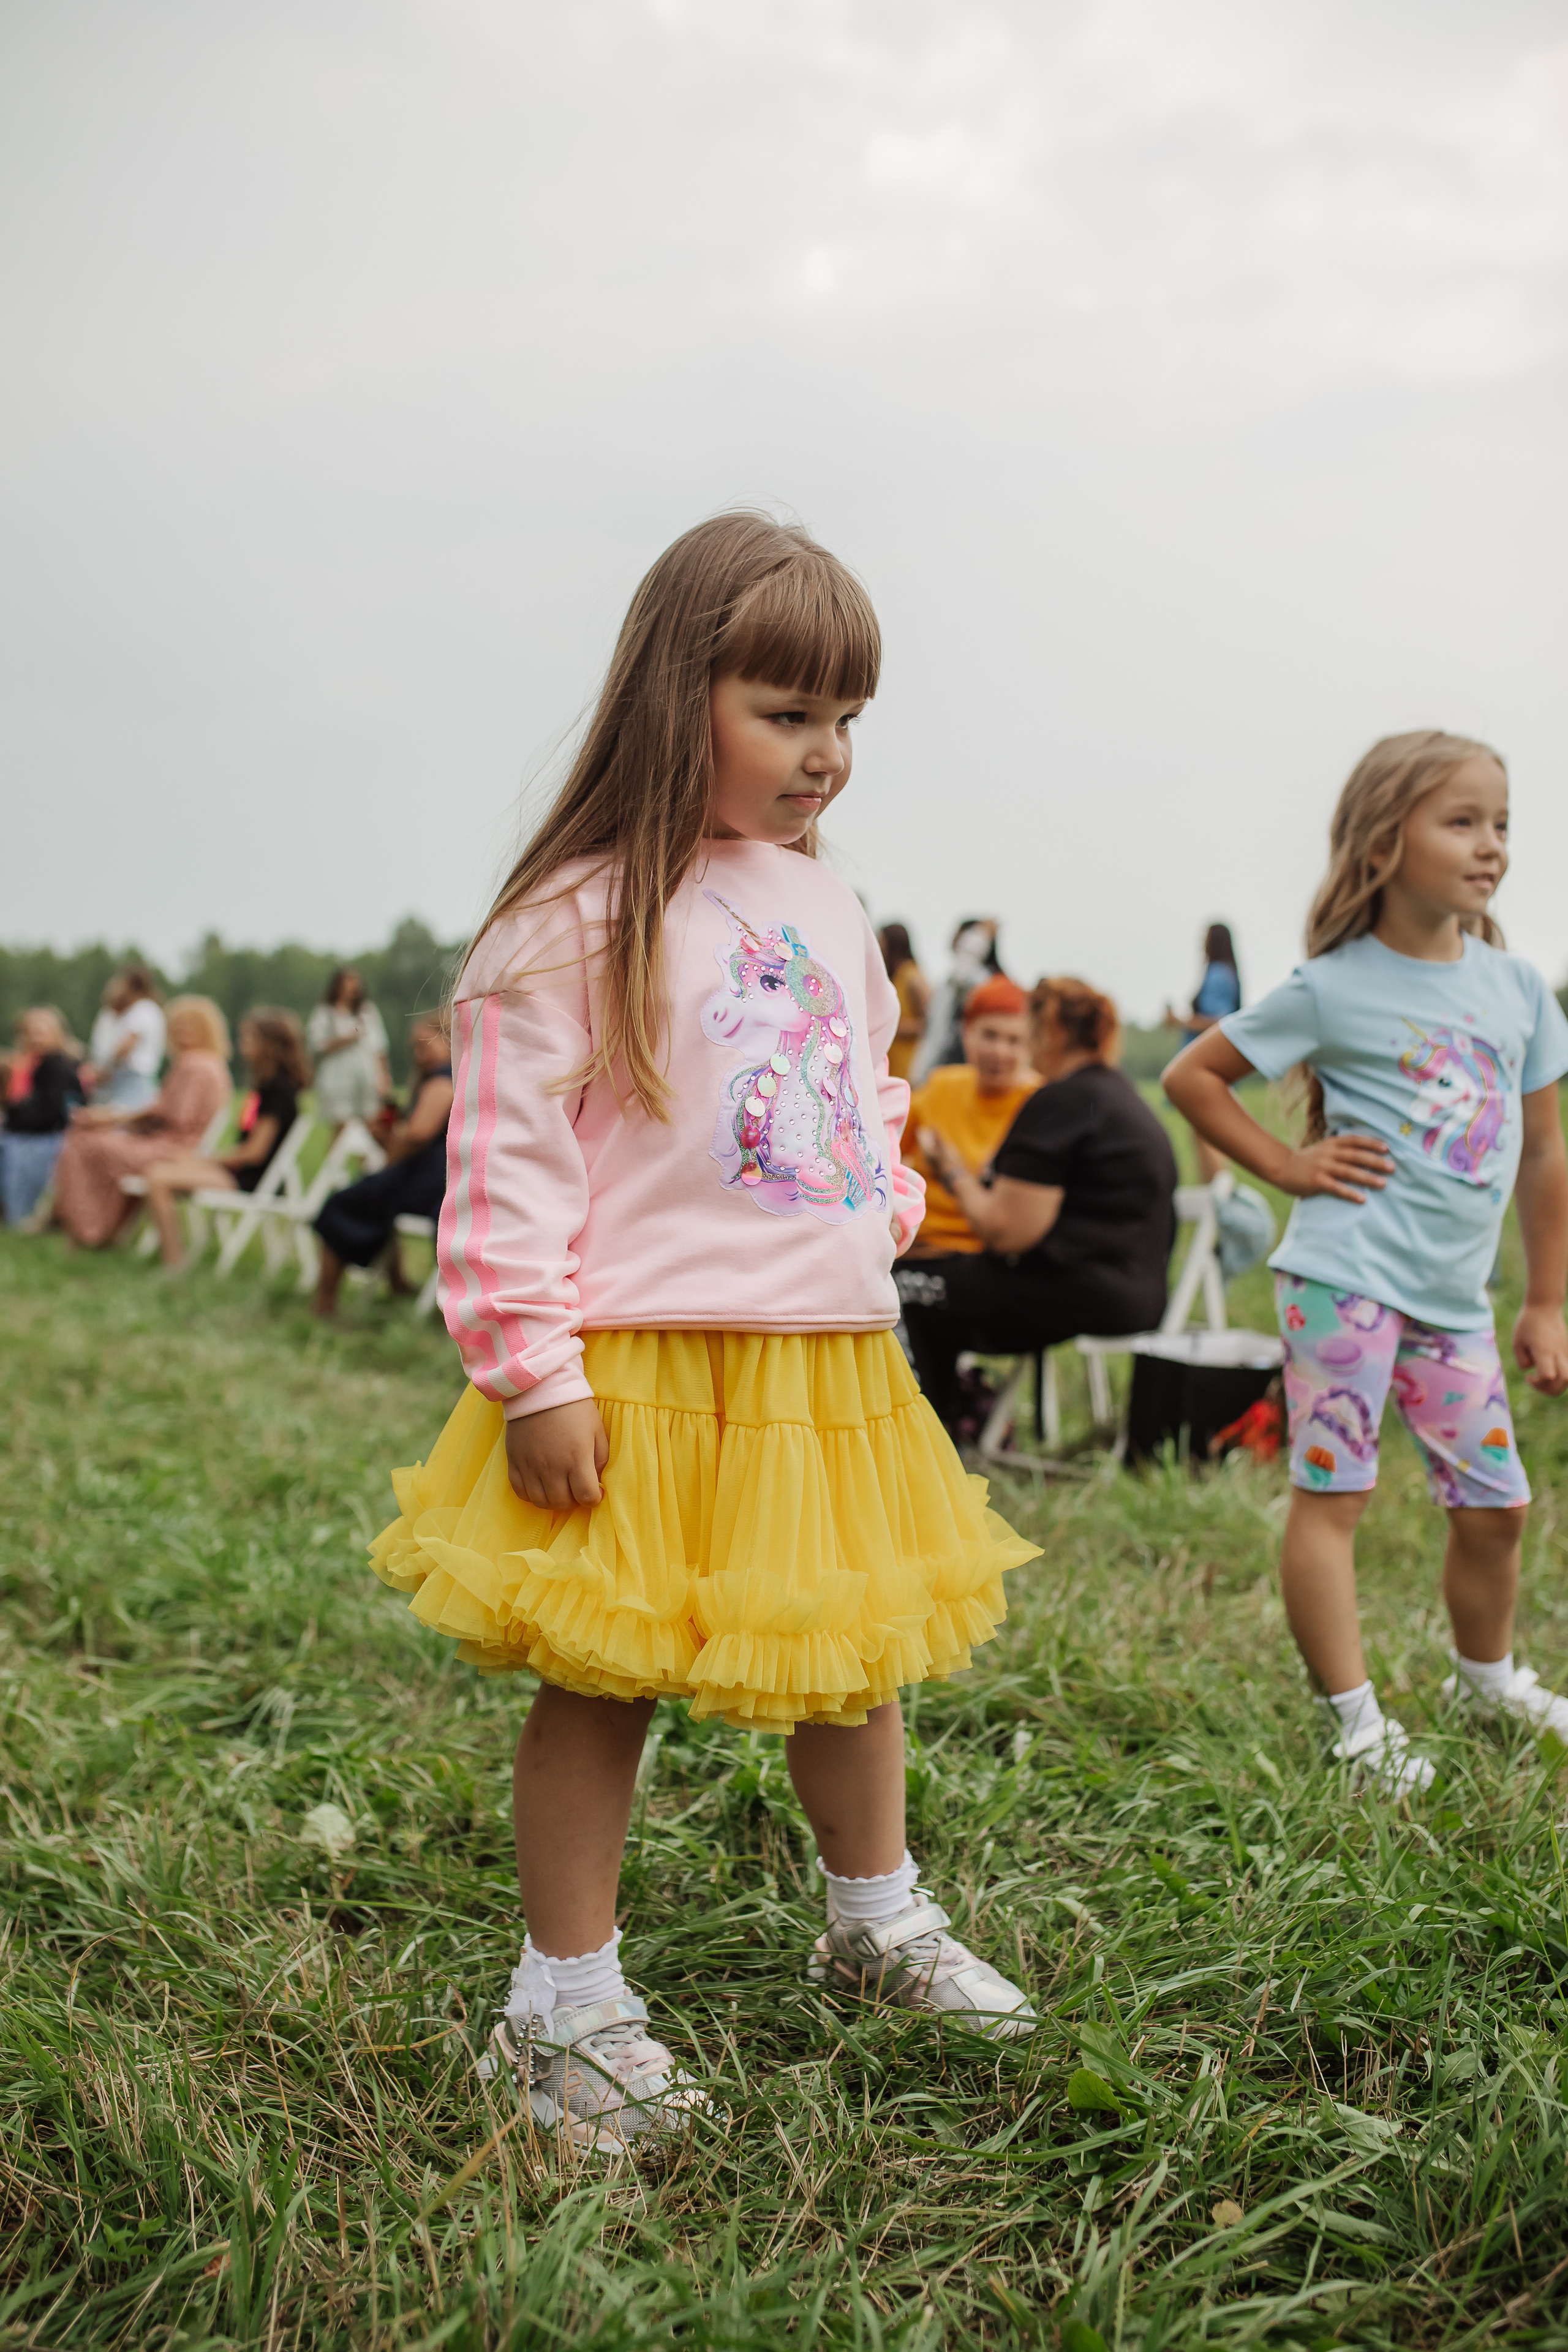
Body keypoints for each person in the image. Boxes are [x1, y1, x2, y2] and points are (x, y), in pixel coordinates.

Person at [367, 512, 1040, 2149]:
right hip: (644, 1368)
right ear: (681, 697)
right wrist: (535, 1373)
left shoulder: (828, 900)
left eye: (847, 722)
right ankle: (564, 2001)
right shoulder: (575, 917)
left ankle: (874, 1917)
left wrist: (876, 1202)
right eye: (788, 713)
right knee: (609, 1675)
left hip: (824, 1360)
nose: (827, 757)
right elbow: (508, 1167)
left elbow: (867, 1075)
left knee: (853, 1653)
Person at [1164, 731, 1568, 1798]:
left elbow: (1548, 1152)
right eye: (1464, 821)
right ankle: (1357, 1726)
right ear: (1386, 844)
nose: (1492, 847)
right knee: (1333, 1497)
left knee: (1498, 1508)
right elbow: (1196, 1077)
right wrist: (1288, 1168)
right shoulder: (1332, 986)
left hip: (1456, 1303)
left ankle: (1486, 1679)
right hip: (1344, 1280)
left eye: (1503, 824)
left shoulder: (1521, 988)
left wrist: (1550, 1302)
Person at [901, 978, 1178, 1436]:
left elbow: (1006, 1231)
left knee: (904, 1289)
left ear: (1049, 1030)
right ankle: (954, 1420)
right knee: (942, 1284)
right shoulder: (1117, 1095)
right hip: (1135, 1296)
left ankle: (925, 1441)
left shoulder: (1063, 1100)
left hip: (1077, 1292)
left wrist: (948, 1168)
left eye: (1025, 1030)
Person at [51, 998, 233, 1248]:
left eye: (189, 1026)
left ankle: (89, 1229)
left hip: (173, 1150)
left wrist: (109, 1118)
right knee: (97, 1143)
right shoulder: (213, 1064)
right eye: (177, 1025)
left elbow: (171, 1116)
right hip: (179, 1146)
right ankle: (98, 1227)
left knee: (82, 1145)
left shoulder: (193, 1064)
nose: (181, 1032)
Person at [140, 1009, 311, 1267]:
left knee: (158, 1179)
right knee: (164, 1169)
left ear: (269, 1047)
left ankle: (174, 1260)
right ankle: (174, 1255)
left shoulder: (279, 1092)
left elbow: (254, 1153)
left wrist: (204, 1160)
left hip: (253, 1179)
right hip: (242, 1173)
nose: (242, 1046)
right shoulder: (266, 1088)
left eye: (249, 1040)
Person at [311, 1015, 454, 1314]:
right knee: (370, 1198)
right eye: (415, 1048)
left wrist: (390, 1152)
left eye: (425, 1045)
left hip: (429, 1181)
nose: (419, 1054)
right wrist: (385, 1138)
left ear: (451, 1041)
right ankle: (397, 1283)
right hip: (430, 1179)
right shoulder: (441, 1080)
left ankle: (325, 1300)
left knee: (343, 1203)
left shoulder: (443, 1081)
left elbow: (417, 1136)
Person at [901, 978, 1039, 1261]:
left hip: (994, 1255)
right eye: (989, 1035)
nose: (999, 1052)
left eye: (1014, 1040)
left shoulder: (1040, 1102)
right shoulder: (941, 1087)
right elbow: (883, 1154)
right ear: (966, 1033)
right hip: (921, 1247)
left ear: (1032, 1045)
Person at [2, 1008, 85, 1226]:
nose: (35, 1038)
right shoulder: (36, 1065)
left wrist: (12, 1115)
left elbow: (51, 1114)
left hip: (45, 1139)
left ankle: (19, 1212)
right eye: (31, 1033)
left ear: (58, 1034)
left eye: (41, 1033)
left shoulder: (59, 1068)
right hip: (28, 1134)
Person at [908, 918, 1004, 1084]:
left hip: (957, 1067)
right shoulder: (951, 982)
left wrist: (981, 935)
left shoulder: (979, 979)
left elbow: (964, 972)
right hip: (940, 1068)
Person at [306, 967, 391, 1130]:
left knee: (371, 1126)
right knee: (342, 1128)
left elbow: (379, 1047)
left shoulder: (368, 1011)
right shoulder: (325, 1013)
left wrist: (384, 1076)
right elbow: (317, 1045)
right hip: (337, 1079)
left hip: (367, 1077)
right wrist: (347, 1039)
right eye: (349, 981)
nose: (354, 986)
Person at [81, 967, 167, 1110]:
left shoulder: (142, 1009)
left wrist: (103, 1069)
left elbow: (126, 1046)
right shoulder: (146, 1009)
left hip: (133, 1079)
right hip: (133, 1079)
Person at [877, 922, 931, 1084]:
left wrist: (893, 1027)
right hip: (894, 1062)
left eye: (881, 941)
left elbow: (930, 1024)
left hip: (910, 1064)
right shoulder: (895, 976)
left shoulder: (912, 977)